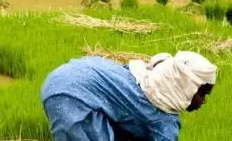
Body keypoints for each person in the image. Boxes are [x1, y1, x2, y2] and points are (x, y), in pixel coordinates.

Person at [41, 52, 217, 141]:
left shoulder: (142, 78)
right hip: (72, 96)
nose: (203, 101)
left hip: (63, 79)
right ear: (185, 85)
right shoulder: (164, 120)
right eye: (202, 93)